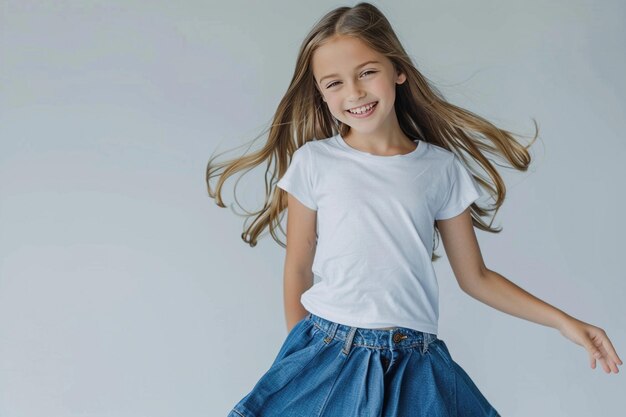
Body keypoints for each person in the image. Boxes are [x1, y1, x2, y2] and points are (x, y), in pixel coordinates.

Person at [207, 3, 622, 416]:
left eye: (367, 72)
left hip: (417, 364)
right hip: (330, 351)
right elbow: (298, 267)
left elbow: (475, 278)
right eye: (334, 83)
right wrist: (299, 358)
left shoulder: (440, 168)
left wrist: (565, 322)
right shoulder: (315, 162)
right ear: (320, 91)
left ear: (398, 70)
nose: (354, 93)